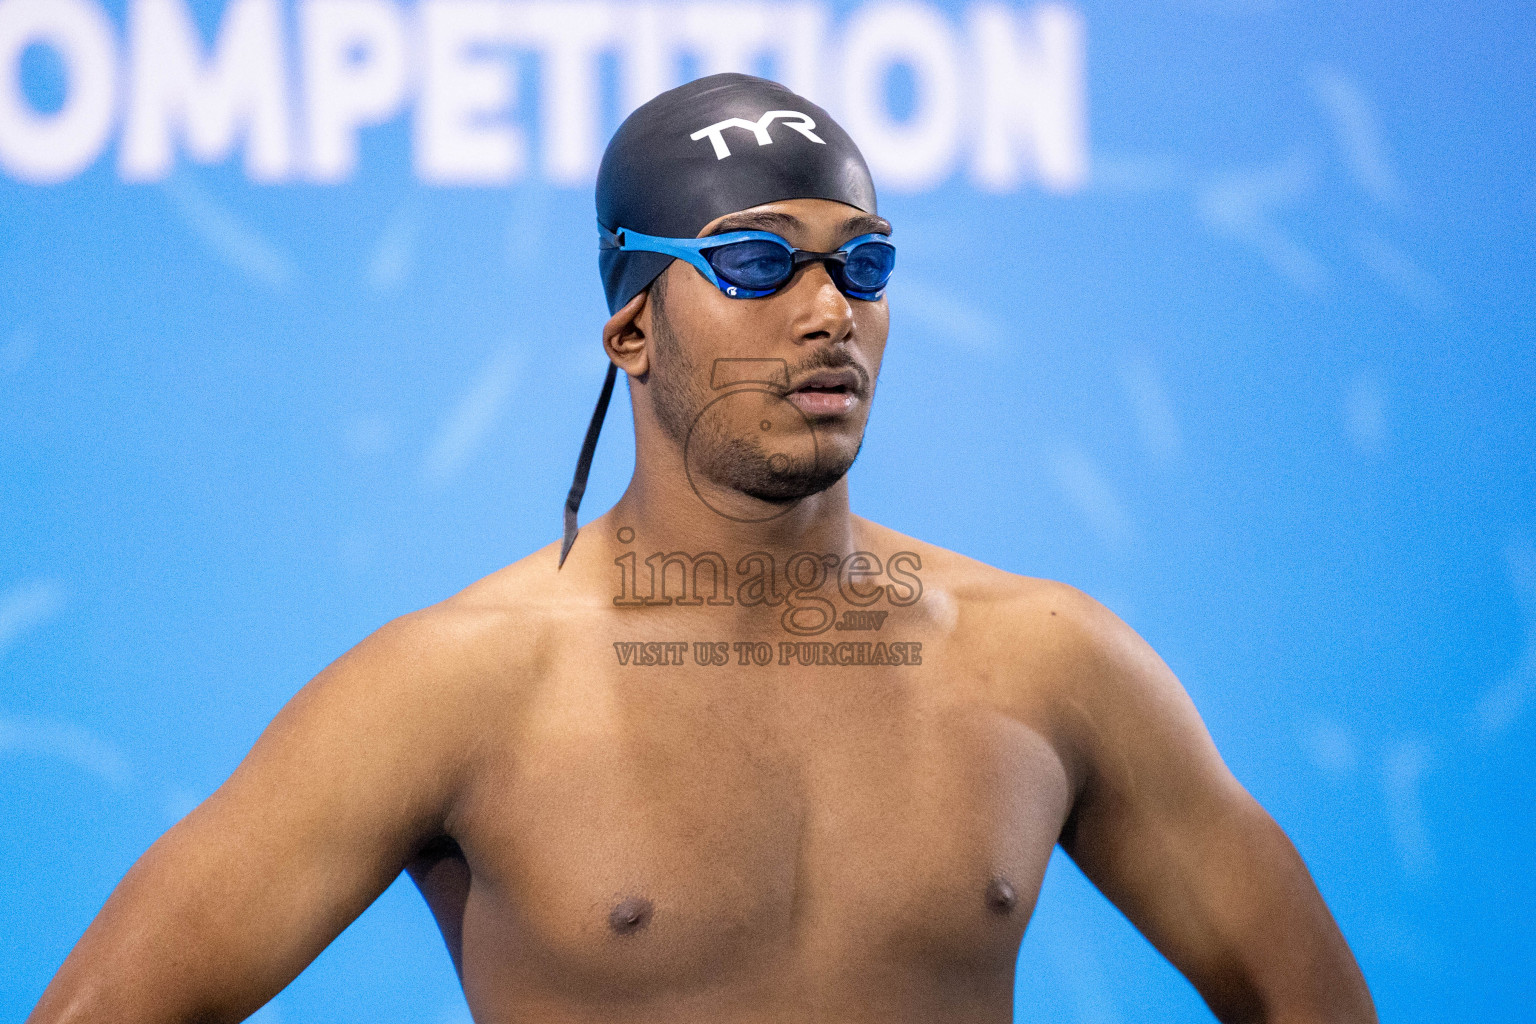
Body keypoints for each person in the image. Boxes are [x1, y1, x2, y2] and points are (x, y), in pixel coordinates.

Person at [28, 74, 1376, 1024]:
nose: (827, 312)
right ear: (630, 330)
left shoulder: (1050, 663)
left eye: (863, 264)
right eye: (752, 263)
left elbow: (1308, 999)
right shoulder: (450, 692)